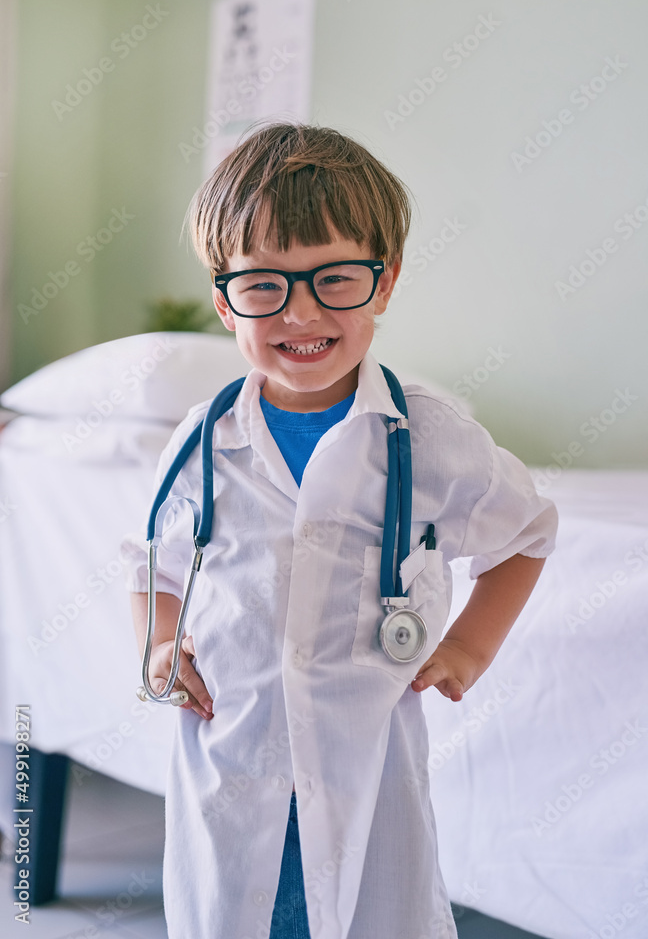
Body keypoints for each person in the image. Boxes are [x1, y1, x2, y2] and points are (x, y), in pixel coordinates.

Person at [121, 120, 558, 939]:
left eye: (334, 279)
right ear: (224, 301)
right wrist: (159, 643)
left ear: (384, 283)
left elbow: (525, 534)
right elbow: (157, 563)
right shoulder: (200, 439)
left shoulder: (427, 435)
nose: (301, 312)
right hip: (232, 763)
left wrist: (467, 647)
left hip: (364, 769)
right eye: (264, 286)